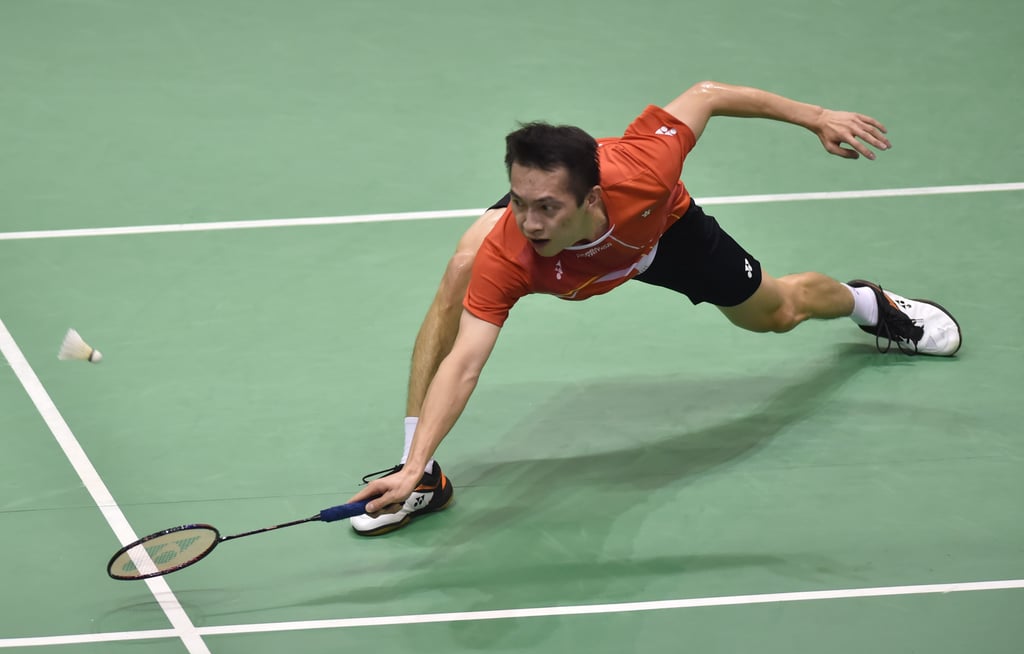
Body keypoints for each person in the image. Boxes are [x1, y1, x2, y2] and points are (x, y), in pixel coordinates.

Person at [348, 80, 962, 535]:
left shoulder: (644, 167)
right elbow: (464, 363)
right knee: (462, 265)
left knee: (778, 313)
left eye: (547, 208)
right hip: (580, 255)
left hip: (663, 235)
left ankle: (866, 303)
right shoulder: (514, 251)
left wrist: (818, 117)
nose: (529, 222)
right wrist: (419, 458)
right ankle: (416, 472)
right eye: (518, 200)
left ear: (591, 197)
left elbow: (709, 94)